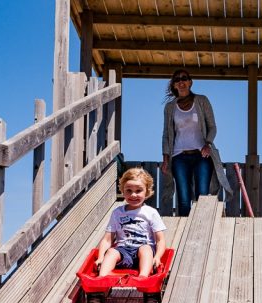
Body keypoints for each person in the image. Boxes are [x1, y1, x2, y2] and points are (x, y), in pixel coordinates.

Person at [161, 68, 233, 216]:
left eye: (184, 78)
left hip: (202, 155)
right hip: (179, 156)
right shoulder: (170, 108)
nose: (181, 82)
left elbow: (212, 127)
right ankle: (184, 233)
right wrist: (165, 158)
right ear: (174, 85)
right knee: (184, 197)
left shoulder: (202, 101)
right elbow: (166, 135)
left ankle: (202, 227)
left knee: (203, 195)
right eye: (177, 79)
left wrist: (208, 143)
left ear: (190, 82)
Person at [96, 167, 167, 277]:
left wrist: (157, 257)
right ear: (123, 191)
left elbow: (160, 240)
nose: (133, 195)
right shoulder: (117, 213)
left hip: (143, 251)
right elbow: (107, 239)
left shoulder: (150, 212)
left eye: (138, 191)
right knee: (111, 252)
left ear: (147, 192)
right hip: (123, 251)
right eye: (129, 190)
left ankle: (143, 276)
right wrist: (101, 257)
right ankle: (102, 278)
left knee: (146, 249)